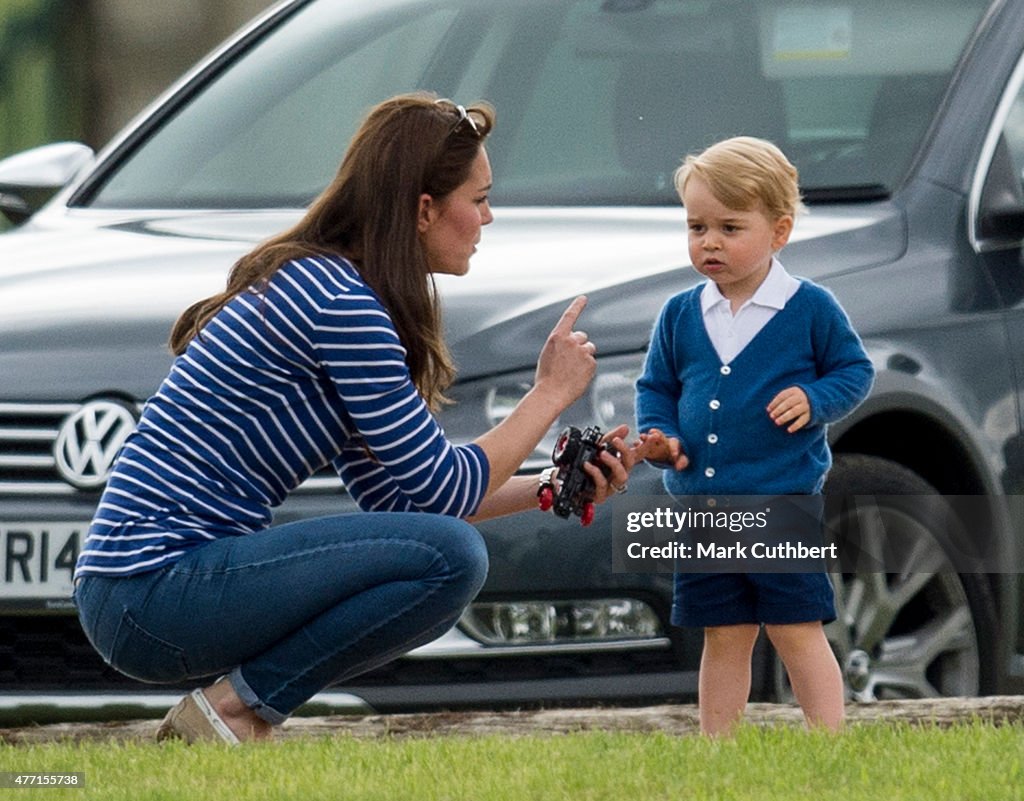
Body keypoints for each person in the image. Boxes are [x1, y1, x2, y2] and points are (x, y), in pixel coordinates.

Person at [74, 92, 647, 744]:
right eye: (479, 197)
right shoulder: (341, 302)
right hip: (149, 591)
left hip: (140, 596)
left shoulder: (337, 290)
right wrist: (549, 394)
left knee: (446, 554)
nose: (489, 216)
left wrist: (552, 487)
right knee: (455, 557)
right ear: (424, 209)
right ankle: (236, 713)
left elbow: (400, 502)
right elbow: (442, 492)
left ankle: (234, 712)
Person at [635, 136, 874, 736]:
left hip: (780, 502)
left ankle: (830, 739)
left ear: (780, 230)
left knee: (796, 627)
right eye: (696, 227)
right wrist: (659, 434)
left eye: (729, 227)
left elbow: (854, 371)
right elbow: (656, 387)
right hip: (704, 509)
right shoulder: (680, 314)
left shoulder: (810, 308)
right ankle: (721, 745)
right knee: (723, 632)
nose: (709, 242)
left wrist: (816, 398)